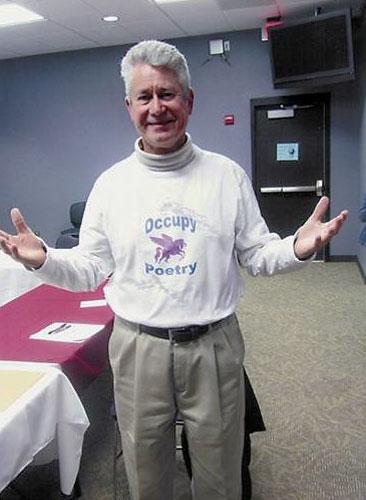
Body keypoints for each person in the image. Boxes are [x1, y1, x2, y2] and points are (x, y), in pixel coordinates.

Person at [0, 40, 348, 500]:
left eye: (168, 94)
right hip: (137, 348)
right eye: (145, 97)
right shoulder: (112, 185)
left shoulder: (226, 177)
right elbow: (88, 270)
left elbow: (258, 255)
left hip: (214, 348)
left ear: (189, 100)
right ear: (129, 106)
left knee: (220, 476)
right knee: (145, 475)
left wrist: (295, 248)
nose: (157, 107)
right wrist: (44, 259)